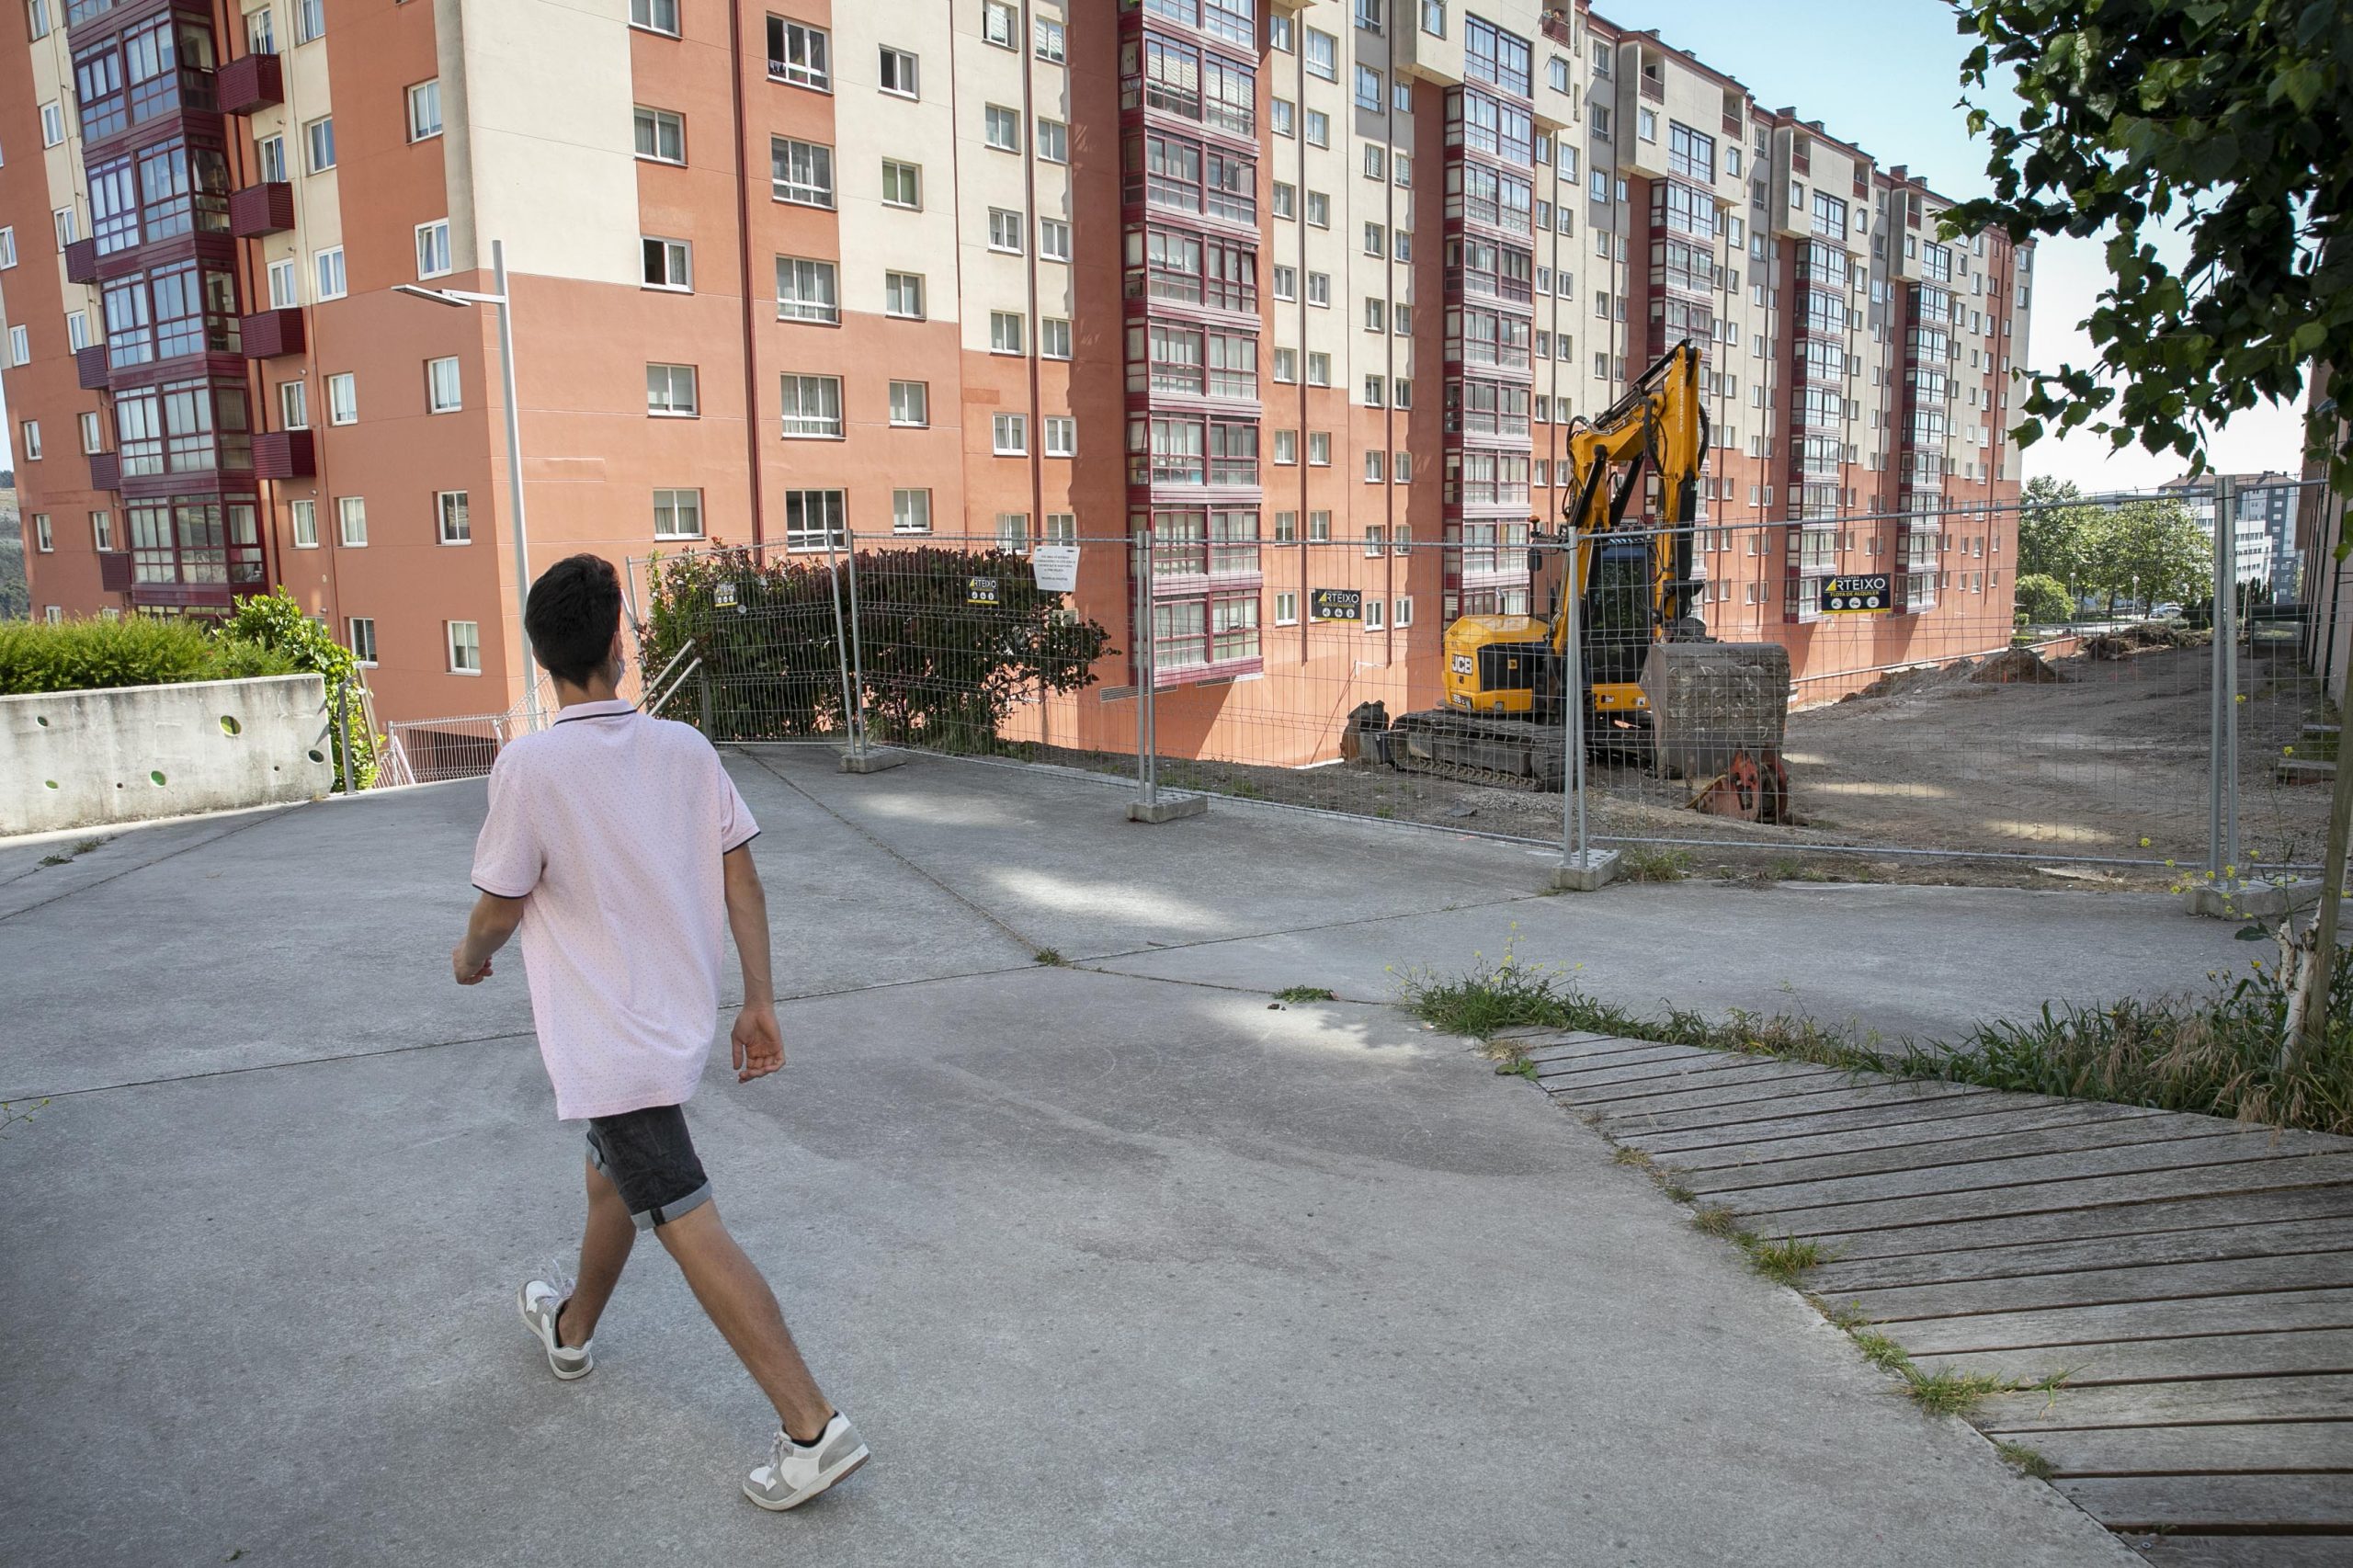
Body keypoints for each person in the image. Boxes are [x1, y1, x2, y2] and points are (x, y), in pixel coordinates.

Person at [449, 552, 867, 1511]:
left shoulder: (529, 766)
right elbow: (741, 878)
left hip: (611, 1045)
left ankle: (813, 1425)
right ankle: (570, 1327)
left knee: (686, 1221)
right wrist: (758, 997)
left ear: (543, 656)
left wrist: (466, 959)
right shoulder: (686, 747)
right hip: (670, 1029)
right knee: (615, 1177)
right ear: (620, 646)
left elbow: (498, 906)